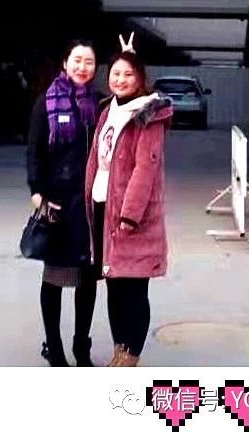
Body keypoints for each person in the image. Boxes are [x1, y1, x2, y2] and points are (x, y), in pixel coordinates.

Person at [84, 33, 173, 367]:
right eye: (116, 73)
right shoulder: (108, 110)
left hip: (130, 215)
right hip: (102, 206)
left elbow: (144, 169)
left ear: (140, 79)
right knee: (114, 284)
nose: (120, 79)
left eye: (128, 74)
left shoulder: (148, 115)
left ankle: (131, 354)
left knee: (133, 288)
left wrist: (129, 215)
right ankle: (119, 348)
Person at [26, 40, 102, 366]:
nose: (82, 67)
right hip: (57, 203)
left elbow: (139, 104)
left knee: (87, 280)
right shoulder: (46, 102)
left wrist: (130, 59)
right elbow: (34, 151)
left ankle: (81, 347)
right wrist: (37, 192)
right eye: (77, 60)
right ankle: (54, 347)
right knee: (54, 278)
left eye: (89, 61)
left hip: (90, 206)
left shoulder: (100, 103)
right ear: (65, 63)